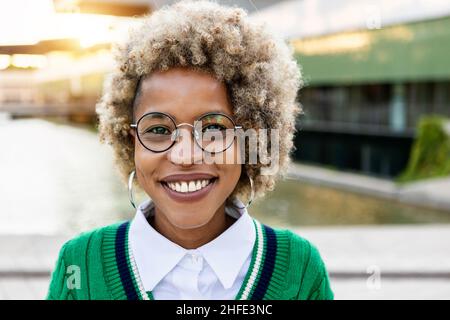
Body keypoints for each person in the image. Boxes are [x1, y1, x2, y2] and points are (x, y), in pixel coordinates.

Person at [46, 0, 334, 300]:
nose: (185, 156)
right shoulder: (78, 265)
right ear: (131, 143)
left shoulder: (300, 270)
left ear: (250, 139)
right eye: (158, 130)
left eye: (212, 129)